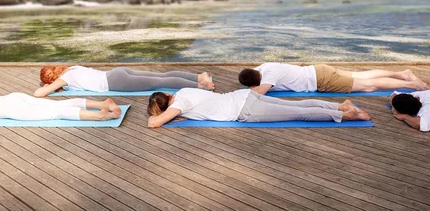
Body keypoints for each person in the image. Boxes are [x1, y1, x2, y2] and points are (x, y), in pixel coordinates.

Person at [146, 88, 370, 128]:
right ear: (167, 94)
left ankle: (346, 115)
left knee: (299, 113)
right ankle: (340, 104)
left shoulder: (179, 105)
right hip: (244, 95)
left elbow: (154, 123)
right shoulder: (183, 91)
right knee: (296, 105)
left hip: (245, 110)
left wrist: (159, 114)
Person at [238, 63, 430, 95]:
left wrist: (251, 89)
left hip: (322, 81)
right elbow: (251, 73)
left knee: (368, 86)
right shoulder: (265, 67)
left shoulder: (268, 78)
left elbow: (259, 93)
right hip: (319, 69)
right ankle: (402, 74)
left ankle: (411, 84)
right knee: (361, 75)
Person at [34, 65, 215, 97]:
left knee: (160, 83)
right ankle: (199, 76)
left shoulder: (64, 79)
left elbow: (39, 93)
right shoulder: (71, 69)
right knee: (161, 76)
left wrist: (48, 86)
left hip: (116, 82)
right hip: (116, 72)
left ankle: (201, 85)